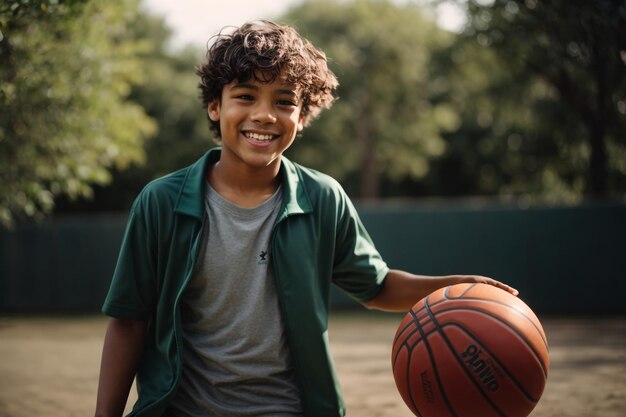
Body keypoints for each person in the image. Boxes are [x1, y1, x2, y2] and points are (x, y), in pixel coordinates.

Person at [94, 20, 518, 417]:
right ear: (213, 106)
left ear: (302, 116)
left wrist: (456, 288)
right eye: (245, 96)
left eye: (284, 101)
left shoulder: (322, 198)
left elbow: (377, 287)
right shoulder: (161, 202)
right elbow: (130, 322)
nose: (264, 114)